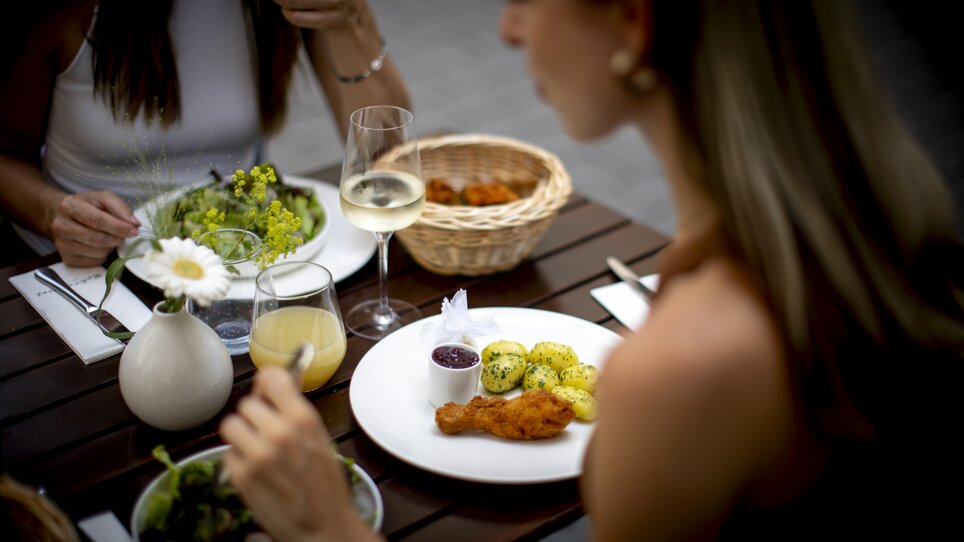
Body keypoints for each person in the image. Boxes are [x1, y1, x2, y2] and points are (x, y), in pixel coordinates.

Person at [220, 0, 964, 540]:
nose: (508, 29)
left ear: (634, 25)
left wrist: (330, 528)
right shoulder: (877, 228)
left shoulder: (682, 364)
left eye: (524, 1)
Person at [0, 0, 409, 267]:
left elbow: (386, 152)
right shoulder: (68, 15)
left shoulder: (282, 8)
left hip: (241, 268)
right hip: (86, 271)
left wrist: (349, 20)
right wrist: (53, 211)